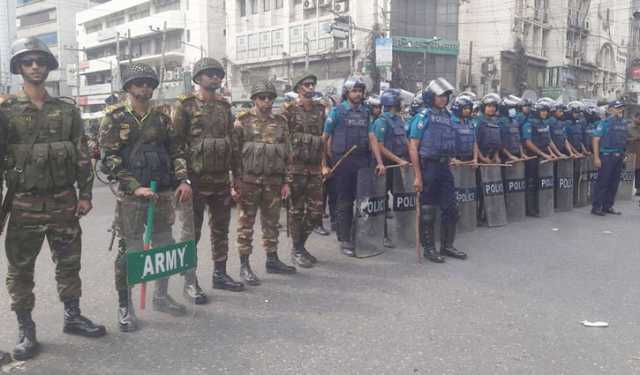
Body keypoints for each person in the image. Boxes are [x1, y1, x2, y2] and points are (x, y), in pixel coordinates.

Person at [0, 37, 106, 359]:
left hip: (64, 202)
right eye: (29, 61)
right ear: (19, 67)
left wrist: (85, 195)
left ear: (49, 67)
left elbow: (82, 155)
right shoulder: (6, 113)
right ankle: (26, 329)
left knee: (69, 264)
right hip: (24, 204)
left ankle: (73, 316)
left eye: (41, 61)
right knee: (21, 271)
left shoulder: (67, 110)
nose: (35, 66)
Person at [99, 63, 192, 332]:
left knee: (164, 248)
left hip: (162, 194)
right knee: (131, 252)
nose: (146, 87)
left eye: (150, 83)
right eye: (140, 83)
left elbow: (176, 152)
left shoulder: (163, 119)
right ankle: (125, 305)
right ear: (128, 87)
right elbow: (109, 159)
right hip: (133, 198)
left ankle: (161, 297)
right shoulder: (114, 118)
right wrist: (134, 186)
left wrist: (182, 179)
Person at [173, 58, 245, 302]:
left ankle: (220, 274)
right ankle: (189, 282)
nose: (215, 78)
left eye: (218, 74)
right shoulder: (185, 106)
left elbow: (232, 145)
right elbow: (177, 145)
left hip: (220, 181)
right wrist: (182, 178)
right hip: (195, 180)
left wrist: (237, 177)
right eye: (209, 74)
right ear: (197, 78)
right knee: (191, 234)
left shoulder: (224, 107)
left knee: (220, 230)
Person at [232, 81, 296, 284]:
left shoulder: (280, 122)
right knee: (246, 225)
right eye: (262, 97)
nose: (266, 101)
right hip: (249, 181)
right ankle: (244, 266)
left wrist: (287, 181)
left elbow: (287, 153)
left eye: (270, 97)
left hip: (273, 182)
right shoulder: (242, 121)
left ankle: (272, 259)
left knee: (271, 223)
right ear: (254, 99)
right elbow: (233, 154)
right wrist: (233, 182)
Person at [322, 77, 385, 256]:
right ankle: (345, 240)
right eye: (354, 91)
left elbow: (372, 137)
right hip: (343, 161)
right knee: (345, 200)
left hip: (362, 161)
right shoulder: (337, 112)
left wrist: (379, 162)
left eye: (360, 91)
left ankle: (359, 235)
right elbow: (324, 139)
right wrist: (324, 164)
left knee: (363, 201)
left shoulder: (366, 113)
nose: (358, 94)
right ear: (347, 92)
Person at [408, 78, 467, 263]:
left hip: (444, 166)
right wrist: (418, 176)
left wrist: (452, 158)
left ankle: (447, 246)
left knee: (451, 208)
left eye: (446, 96)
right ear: (431, 96)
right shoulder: (423, 116)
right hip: (429, 166)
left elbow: (446, 141)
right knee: (428, 210)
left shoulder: (448, 116)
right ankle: (429, 249)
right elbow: (413, 146)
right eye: (440, 96)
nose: (443, 99)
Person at [282, 72, 326, 268]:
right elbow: (283, 140)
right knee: (296, 210)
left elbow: (323, 141)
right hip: (296, 169)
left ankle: (300, 245)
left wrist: (324, 164)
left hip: (315, 168)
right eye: (306, 84)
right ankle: (297, 249)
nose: (310, 88)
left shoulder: (320, 109)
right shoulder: (289, 111)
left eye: (312, 84)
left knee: (316, 211)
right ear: (298, 88)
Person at [370, 89, 410, 249]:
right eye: (399, 101)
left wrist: (410, 157)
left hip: (396, 165)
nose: (401, 104)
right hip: (383, 165)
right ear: (392, 103)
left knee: (400, 196)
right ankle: (382, 234)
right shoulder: (381, 121)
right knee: (380, 199)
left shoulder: (399, 120)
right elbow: (379, 147)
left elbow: (405, 142)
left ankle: (404, 229)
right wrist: (399, 160)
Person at [591, 100, 628, 216]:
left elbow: (623, 140)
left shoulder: (624, 123)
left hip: (619, 156)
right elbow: (595, 139)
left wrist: (624, 154)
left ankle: (608, 206)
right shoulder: (604, 123)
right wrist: (596, 158)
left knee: (614, 183)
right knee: (603, 182)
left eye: (621, 108)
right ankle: (596, 207)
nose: (620, 110)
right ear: (610, 109)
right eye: (617, 108)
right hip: (607, 156)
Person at [475, 94, 503, 164]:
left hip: (492, 159)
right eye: (489, 106)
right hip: (480, 159)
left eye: (494, 106)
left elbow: (497, 141)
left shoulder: (496, 122)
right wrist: (482, 158)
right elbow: (475, 142)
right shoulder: (479, 121)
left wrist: (496, 156)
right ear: (483, 107)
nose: (492, 108)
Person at [450, 94, 478, 164]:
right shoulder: (450, 122)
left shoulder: (470, 123)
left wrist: (475, 158)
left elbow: (474, 142)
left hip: (469, 161)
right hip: (455, 162)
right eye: (465, 108)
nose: (468, 111)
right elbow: (444, 143)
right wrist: (451, 159)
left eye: (469, 108)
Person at [499, 95, 527, 162]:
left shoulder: (515, 122)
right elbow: (500, 143)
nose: (513, 110)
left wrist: (522, 153)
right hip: (505, 156)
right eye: (511, 108)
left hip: (516, 154)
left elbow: (518, 139)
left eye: (514, 108)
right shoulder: (501, 122)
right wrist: (509, 155)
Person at [627, 112, 640, 196]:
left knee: (639, 171)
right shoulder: (628, 127)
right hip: (632, 152)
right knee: (631, 170)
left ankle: (638, 189)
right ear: (634, 118)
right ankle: (626, 189)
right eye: (639, 118)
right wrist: (634, 139)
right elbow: (624, 139)